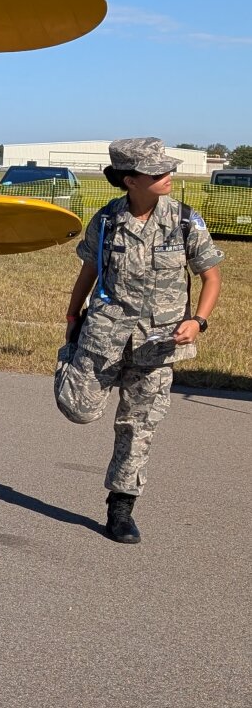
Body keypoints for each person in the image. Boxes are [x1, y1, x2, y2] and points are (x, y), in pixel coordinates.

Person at [55, 137, 222, 544]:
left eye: (168, 169)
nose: (169, 175)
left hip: (158, 343)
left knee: (138, 426)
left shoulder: (185, 220)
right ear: (130, 180)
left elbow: (211, 276)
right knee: (78, 410)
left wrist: (198, 321)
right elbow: (88, 270)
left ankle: (121, 508)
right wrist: (73, 316)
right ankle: (68, 361)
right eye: (157, 171)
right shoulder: (107, 220)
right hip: (104, 335)